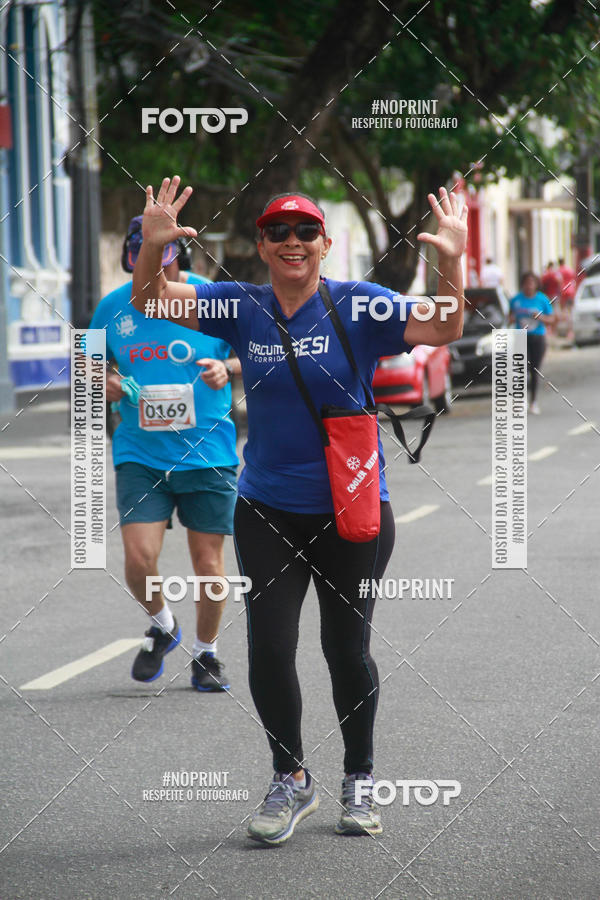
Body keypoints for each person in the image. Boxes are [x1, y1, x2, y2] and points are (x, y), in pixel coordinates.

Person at [130, 176, 466, 843]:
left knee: (347, 649)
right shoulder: (241, 306)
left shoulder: (360, 307)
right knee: (270, 647)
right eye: (278, 231)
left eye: (305, 231)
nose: (292, 242)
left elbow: (447, 324)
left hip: (353, 511)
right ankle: (291, 778)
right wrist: (155, 247)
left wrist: (451, 260)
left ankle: (359, 778)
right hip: (266, 509)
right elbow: (150, 299)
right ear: (261, 245)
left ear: (325, 244)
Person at [89, 216, 241, 691]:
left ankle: (207, 654)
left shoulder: (212, 299)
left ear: (179, 257)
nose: (151, 266)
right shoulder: (111, 308)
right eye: (142, 257)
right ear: (130, 259)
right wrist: (107, 382)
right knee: (138, 559)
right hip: (141, 453)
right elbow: (84, 368)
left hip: (208, 452)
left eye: (160, 257)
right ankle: (163, 625)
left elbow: (257, 351)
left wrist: (226, 366)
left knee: (208, 564)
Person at [509, 272, 557, 414]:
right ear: (522, 284)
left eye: (532, 283)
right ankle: (520, 400)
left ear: (536, 285)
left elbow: (552, 319)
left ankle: (533, 401)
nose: (529, 286)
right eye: (526, 283)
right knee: (520, 369)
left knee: (534, 370)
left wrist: (540, 317)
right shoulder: (516, 300)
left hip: (537, 337)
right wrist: (514, 317)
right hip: (521, 336)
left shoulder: (542, 299)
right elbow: (510, 317)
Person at [558, 257, 576, 340]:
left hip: (564, 292)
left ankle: (566, 332)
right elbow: (574, 279)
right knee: (570, 311)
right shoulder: (569, 269)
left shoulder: (559, 270)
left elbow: (558, 281)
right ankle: (570, 331)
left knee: (564, 312)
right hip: (571, 291)